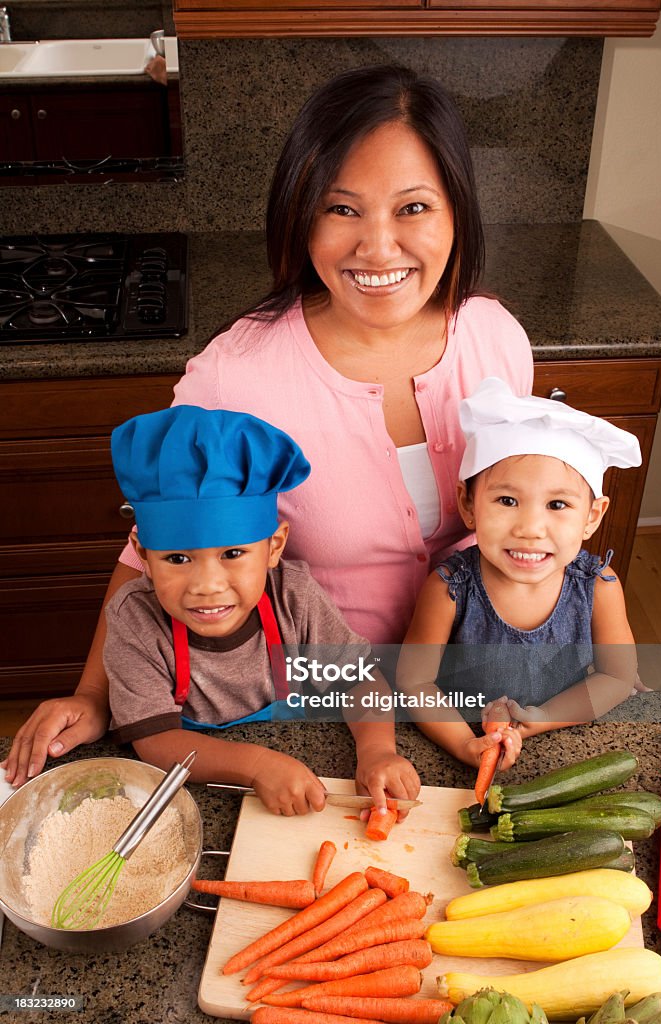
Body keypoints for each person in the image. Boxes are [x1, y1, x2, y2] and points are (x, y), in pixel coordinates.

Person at [3, 63, 533, 786]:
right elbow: (151, 548)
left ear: (456, 211)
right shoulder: (236, 376)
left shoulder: (496, 340)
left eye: (412, 208)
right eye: (342, 209)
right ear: (300, 213)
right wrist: (95, 697)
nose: (378, 248)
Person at [105, 404, 419, 815]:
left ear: (274, 546)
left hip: (308, 769)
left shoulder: (295, 598)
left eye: (233, 553)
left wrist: (377, 750)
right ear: (143, 554)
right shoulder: (135, 621)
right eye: (177, 559)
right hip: (192, 796)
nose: (207, 586)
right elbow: (157, 741)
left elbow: (359, 681)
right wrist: (255, 765)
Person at [397, 376, 642, 771]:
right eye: (507, 500)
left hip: (566, 742)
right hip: (458, 742)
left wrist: (540, 720)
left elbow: (616, 677)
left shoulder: (599, 587)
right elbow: (414, 683)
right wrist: (464, 744)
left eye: (557, 504)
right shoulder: (449, 589)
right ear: (468, 503)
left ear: (592, 516)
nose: (530, 527)